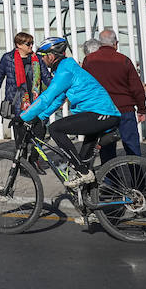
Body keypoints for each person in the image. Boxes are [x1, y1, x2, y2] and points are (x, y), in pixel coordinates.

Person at [19, 38, 121, 184]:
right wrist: (40, 117)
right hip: (98, 114)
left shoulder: (65, 70)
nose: (42, 60)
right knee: (83, 160)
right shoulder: (66, 67)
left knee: (55, 129)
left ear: (51, 56)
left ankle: (83, 172)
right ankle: (87, 198)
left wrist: (23, 117)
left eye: (43, 57)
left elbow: (47, 97)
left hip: (101, 114)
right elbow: (59, 98)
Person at [82, 29, 146, 163]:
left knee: (107, 148)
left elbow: (85, 87)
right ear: (115, 43)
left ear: (100, 44)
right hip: (125, 110)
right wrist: (141, 109)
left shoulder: (89, 60)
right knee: (132, 146)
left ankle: (110, 181)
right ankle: (137, 181)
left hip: (103, 110)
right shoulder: (124, 60)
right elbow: (136, 88)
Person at [0, 32, 43, 140]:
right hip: (17, 103)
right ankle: (21, 156)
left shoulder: (37, 59)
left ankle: (34, 157)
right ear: (19, 45)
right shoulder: (8, 58)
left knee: (37, 135)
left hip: (35, 102)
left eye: (32, 43)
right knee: (20, 137)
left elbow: (46, 77)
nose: (31, 46)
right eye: (28, 44)